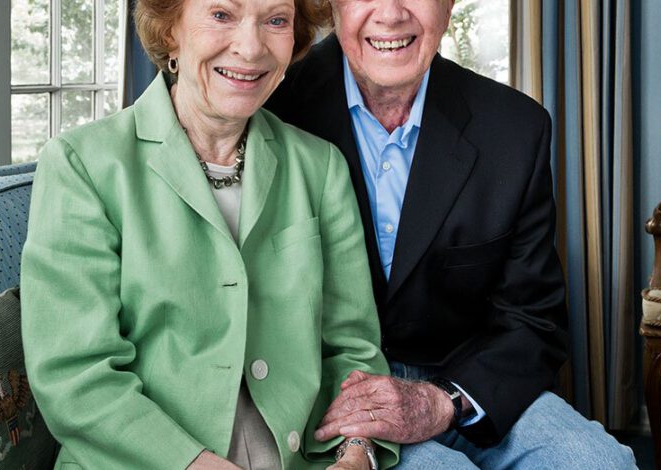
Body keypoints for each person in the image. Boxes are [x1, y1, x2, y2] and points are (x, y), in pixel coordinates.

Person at [21, 0, 400, 468]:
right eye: (222, 15)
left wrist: (356, 453)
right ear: (171, 31)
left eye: (276, 21)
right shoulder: (83, 165)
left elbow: (353, 350)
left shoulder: (320, 168)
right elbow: (76, 378)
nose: (251, 47)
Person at [264, 0, 636, 468]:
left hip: (465, 383)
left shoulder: (515, 127)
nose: (391, 14)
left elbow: (533, 318)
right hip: (328, 392)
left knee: (602, 462)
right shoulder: (271, 104)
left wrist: (443, 401)